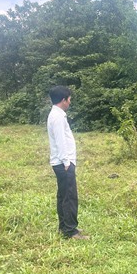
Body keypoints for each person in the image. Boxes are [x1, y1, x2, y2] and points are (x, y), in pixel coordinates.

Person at [47, 86, 88, 240]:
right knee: (70, 196)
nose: (70, 102)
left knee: (63, 195)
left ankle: (64, 226)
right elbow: (60, 140)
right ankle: (71, 231)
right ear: (63, 100)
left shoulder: (56, 115)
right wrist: (66, 162)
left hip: (61, 161)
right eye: (69, 99)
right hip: (64, 162)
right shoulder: (57, 117)